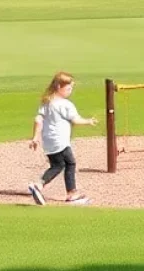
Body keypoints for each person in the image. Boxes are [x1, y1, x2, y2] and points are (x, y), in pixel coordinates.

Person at [27, 72, 98, 206]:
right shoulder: (65, 104)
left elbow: (38, 119)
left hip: (48, 142)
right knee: (69, 164)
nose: (70, 91)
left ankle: (40, 185)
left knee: (58, 165)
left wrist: (35, 137)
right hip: (60, 141)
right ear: (59, 86)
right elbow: (75, 120)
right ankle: (70, 193)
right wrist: (88, 121)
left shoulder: (47, 102)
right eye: (68, 88)